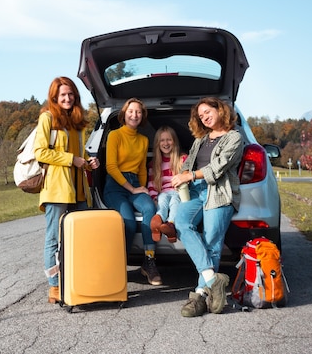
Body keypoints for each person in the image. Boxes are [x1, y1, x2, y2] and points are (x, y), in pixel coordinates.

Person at [171, 97, 243, 317]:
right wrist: (181, 176)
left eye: (207, 112)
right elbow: (188, 164)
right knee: (182, 223)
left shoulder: (234, 137)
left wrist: (190, 175)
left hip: (219, 192)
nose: (205, 117)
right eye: (201, 116)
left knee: (212, 240)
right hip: (195, 191)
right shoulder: (200, 140)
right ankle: (214, 279)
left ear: (220, 110)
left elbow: (218, 167)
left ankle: (200, 296)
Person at [34, 76, 100, 304]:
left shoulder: (78, 121)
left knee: (79, 238)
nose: (67, 98)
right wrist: (73, 160)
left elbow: (80, 153)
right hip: (57, 188)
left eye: (70, 94)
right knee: (53, 239)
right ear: (54, 97)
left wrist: (89, 161)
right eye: (62, 95)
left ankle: (75, 280)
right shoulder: (47, 118)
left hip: (79, 188)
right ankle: (54, 286)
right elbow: (40, 152)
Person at [103, 98, 161, 285]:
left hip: (135, 183)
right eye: (131, 111)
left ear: (142, 116)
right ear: (124, 114)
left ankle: (149, 262)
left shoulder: (144, 140)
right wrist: (133, 188)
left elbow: (142, 168)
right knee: (127, 223)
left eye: (138, 112)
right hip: (115, 185)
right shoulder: (115, 135)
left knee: (149, 208)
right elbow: (111, 167)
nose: (134, 115)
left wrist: (142, 188)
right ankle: (120, 267)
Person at [148, 126, 187, 243]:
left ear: (174, 141)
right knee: (162, 200)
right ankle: (158, 221)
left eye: (169, 139)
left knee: (175, 201)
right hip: (163, 192)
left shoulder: (183, 159)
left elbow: (188, 178)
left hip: (178, 192)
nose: (166, 143)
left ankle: (170, 225)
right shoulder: (154, 164)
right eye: (162, 140)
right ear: (157, 143)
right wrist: (153, 197)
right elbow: (152, 184)